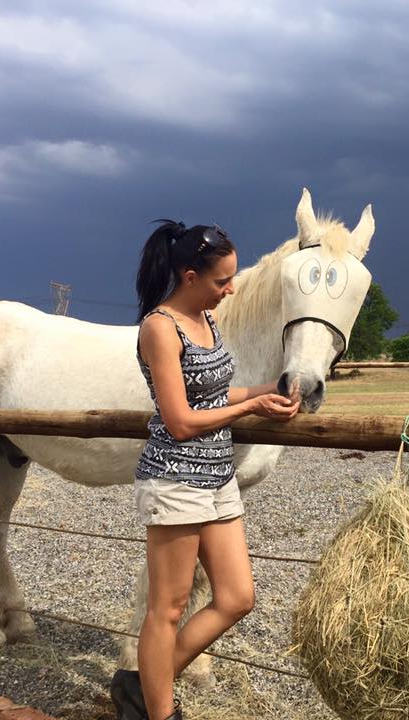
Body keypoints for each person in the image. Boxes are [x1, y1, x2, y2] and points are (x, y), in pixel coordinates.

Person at [111, 220, 300, 720]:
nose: (231, 289)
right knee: (167, 609)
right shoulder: (160, 328)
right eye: (222, 281)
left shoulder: (206, 320)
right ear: (190, 276)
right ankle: (160, 711)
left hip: (217, 478)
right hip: (174, 480)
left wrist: (262, 393)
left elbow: (216, 393)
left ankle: (142, 685)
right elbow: (179, 420)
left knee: (237, 597)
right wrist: (248, 412)